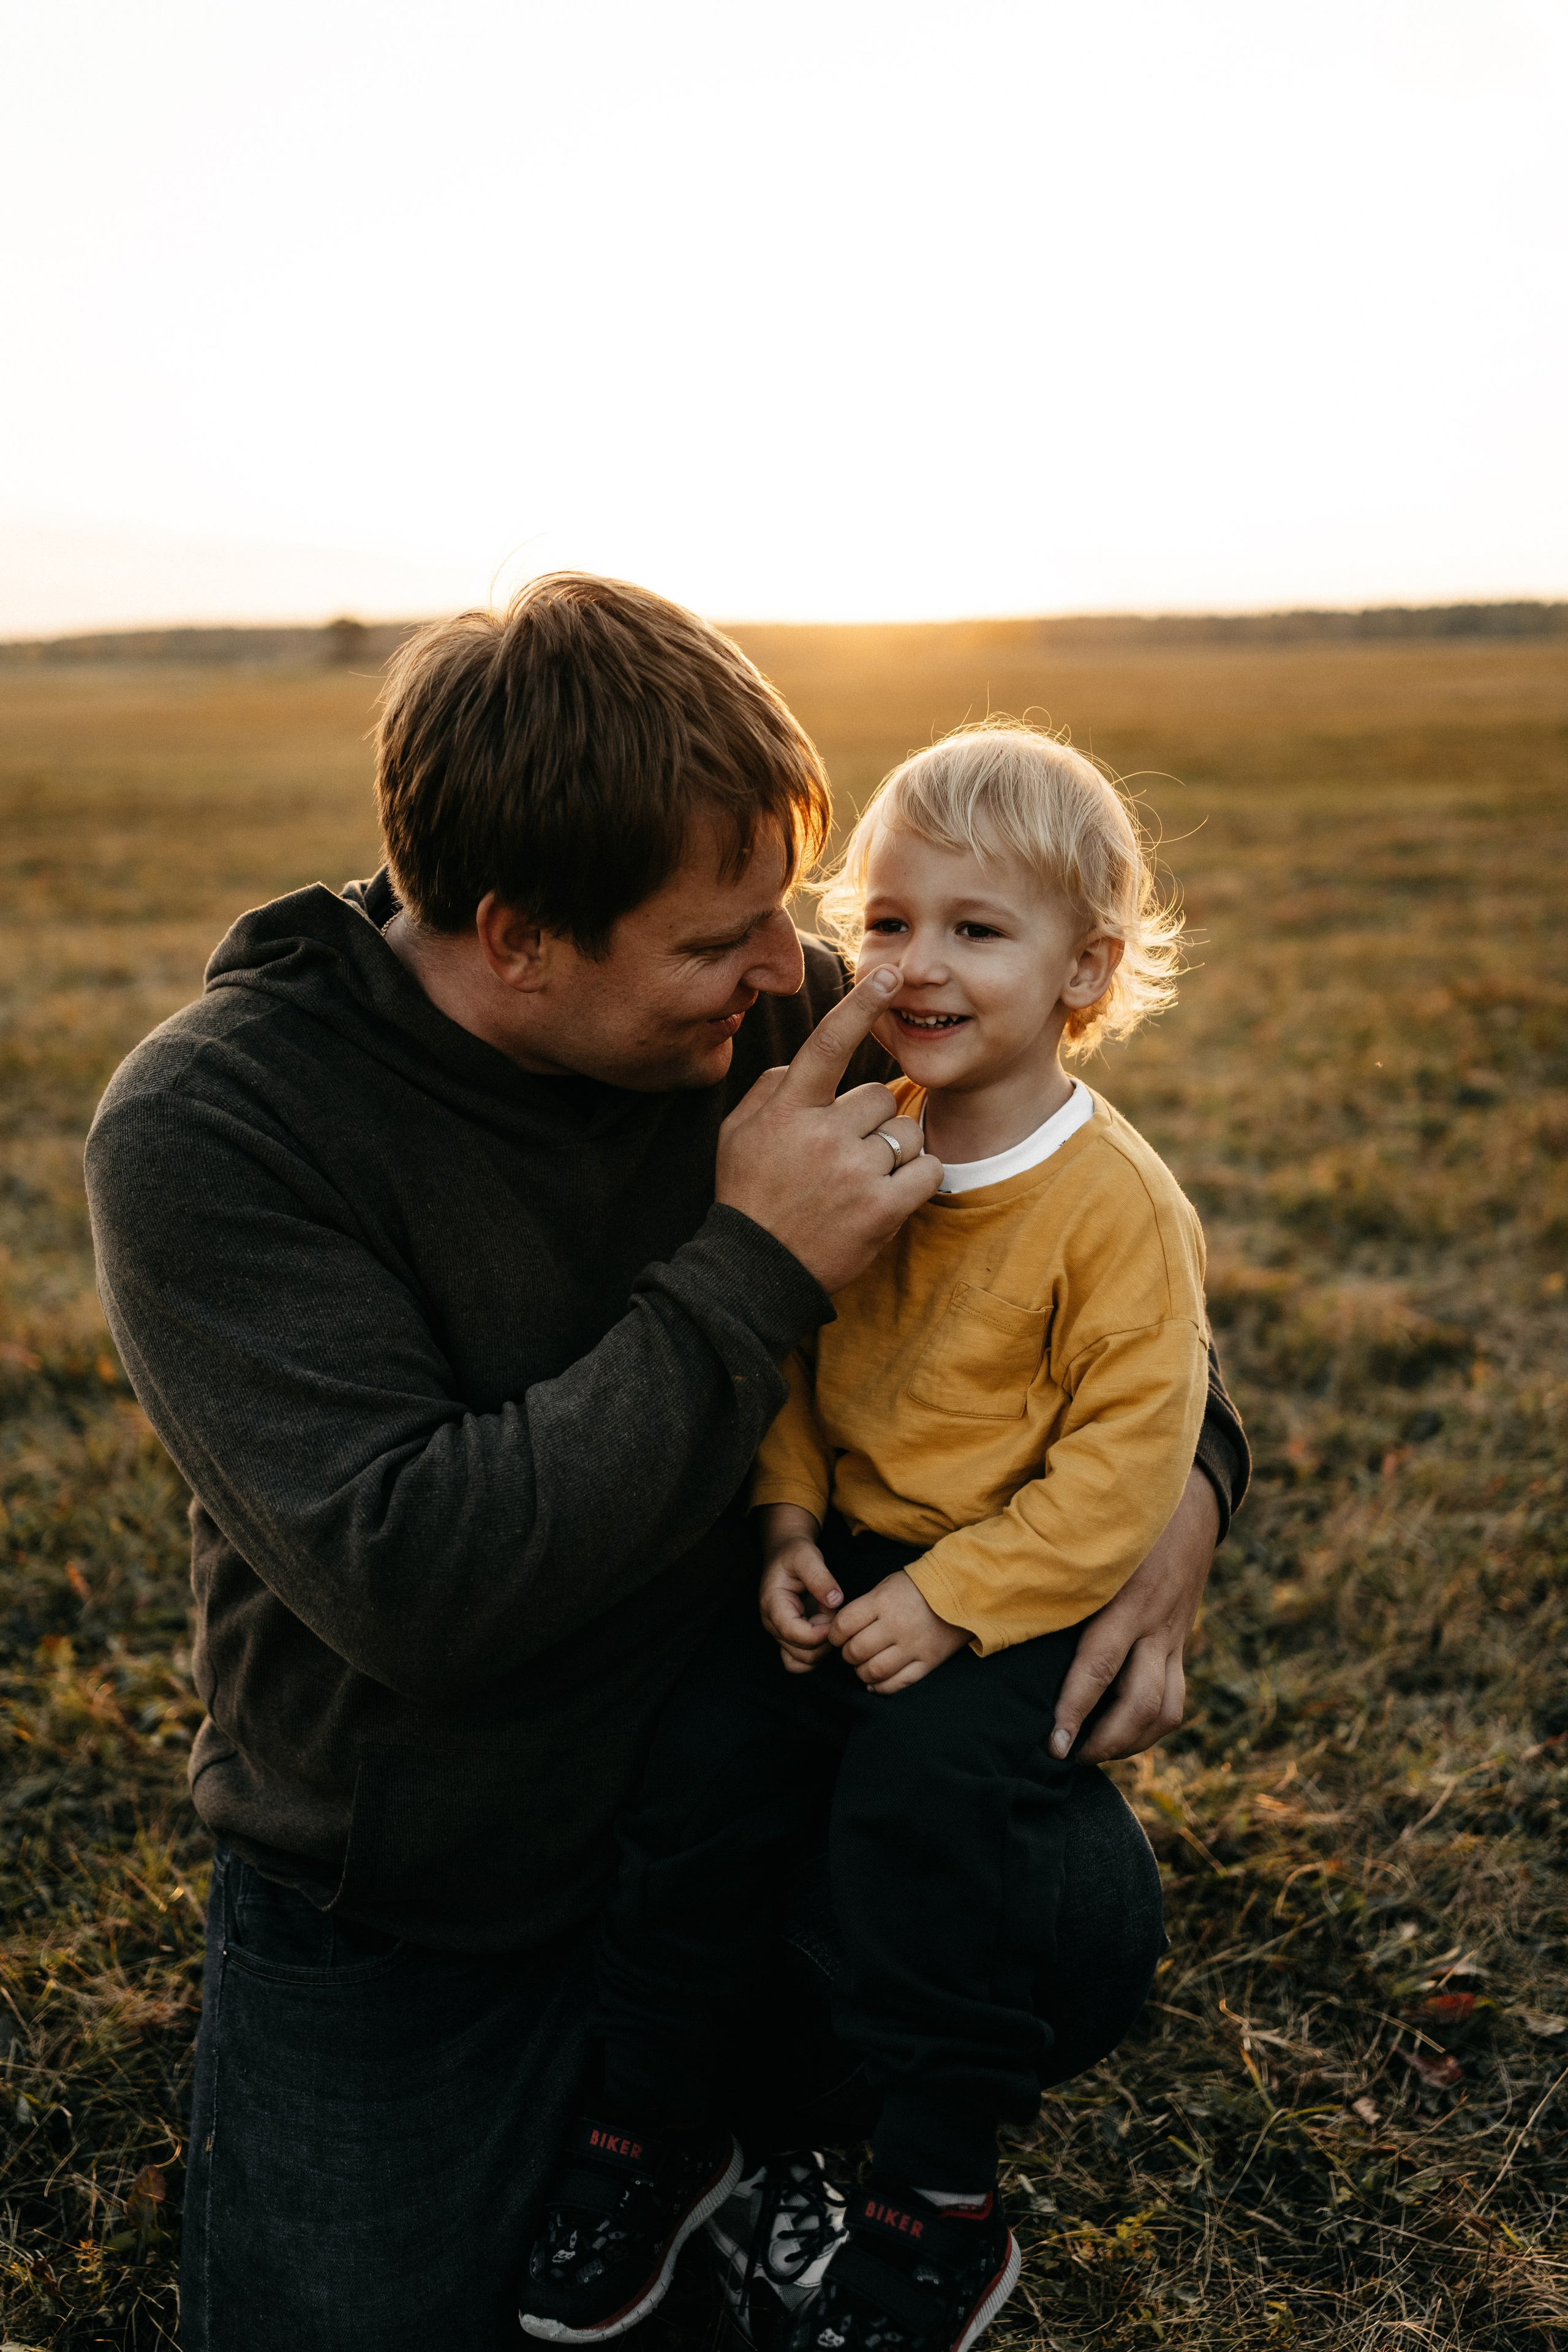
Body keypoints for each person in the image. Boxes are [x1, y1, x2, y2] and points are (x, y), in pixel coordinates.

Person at [82, 577, 1247, 2352]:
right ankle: (640, 2133)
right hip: (434, 1872)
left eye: (789, 909)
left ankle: (771, 2139)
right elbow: (420, 1584)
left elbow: (1089, 1258)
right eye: (722, 942)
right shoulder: (218, 1127)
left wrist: (1189, 1499)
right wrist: (754, 1262)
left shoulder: (788, 1013)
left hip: (752, 1754)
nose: (796, 970)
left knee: (1064, 1901)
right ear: (516, 938)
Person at [518, 723, 1213, 2352]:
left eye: (979, 929)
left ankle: (938, 2195)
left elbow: (1127, 1462)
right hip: (844, 1560)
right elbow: (801, 1353)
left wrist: (959, 1600)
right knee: (701, 1775)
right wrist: (783, 1517)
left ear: (1085, 971)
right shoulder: (862, 1134)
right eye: (891, 920)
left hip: (1008, 1594)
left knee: (921, 1819)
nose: (920, 963)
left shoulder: (1115, 1205)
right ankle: (656, 2125)